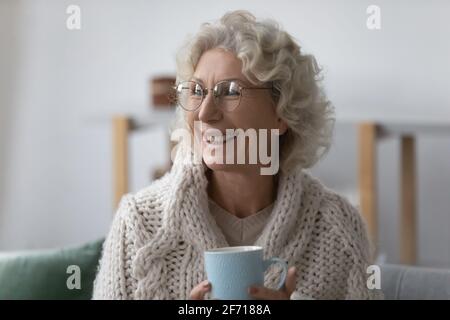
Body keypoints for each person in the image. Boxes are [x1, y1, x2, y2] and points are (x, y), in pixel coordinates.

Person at [93, 10, 382, 300]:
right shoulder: (139, 223)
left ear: (282, 113)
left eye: (230, 91)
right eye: (196, 91)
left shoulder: (337, 229)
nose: (205, 112)